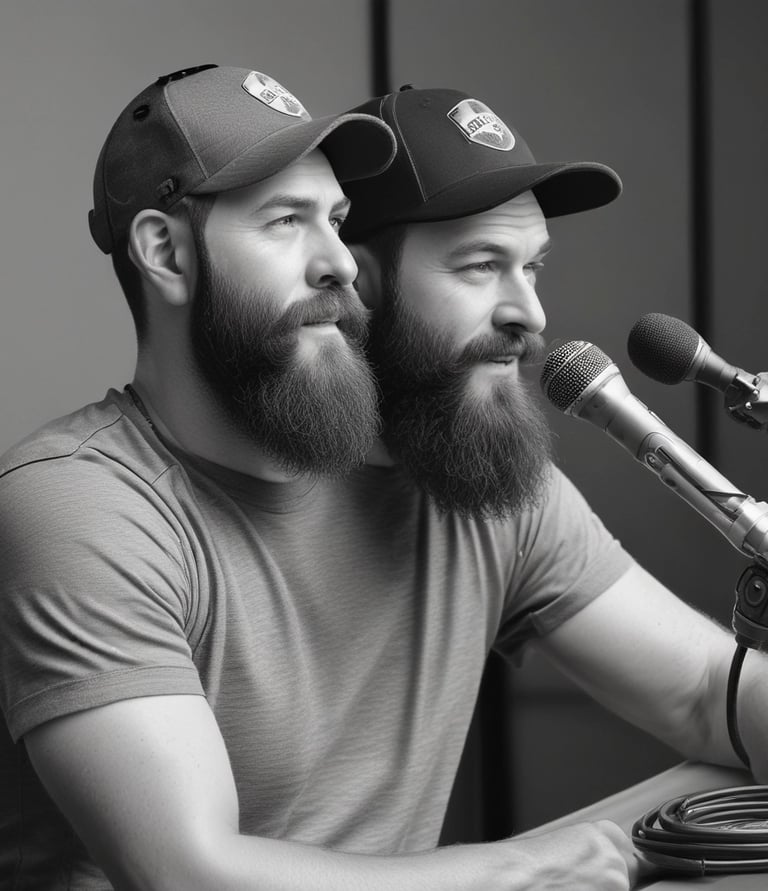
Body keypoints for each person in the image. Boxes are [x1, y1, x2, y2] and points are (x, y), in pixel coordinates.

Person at [0, 65, 762, 891]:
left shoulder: (473, 484)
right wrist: (536, 866)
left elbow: (703, 699)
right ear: (164, 251)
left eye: (334, 220)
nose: (336, 263)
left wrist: (601, 855)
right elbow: (188, 874)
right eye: (287, 221)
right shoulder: (82, 501)